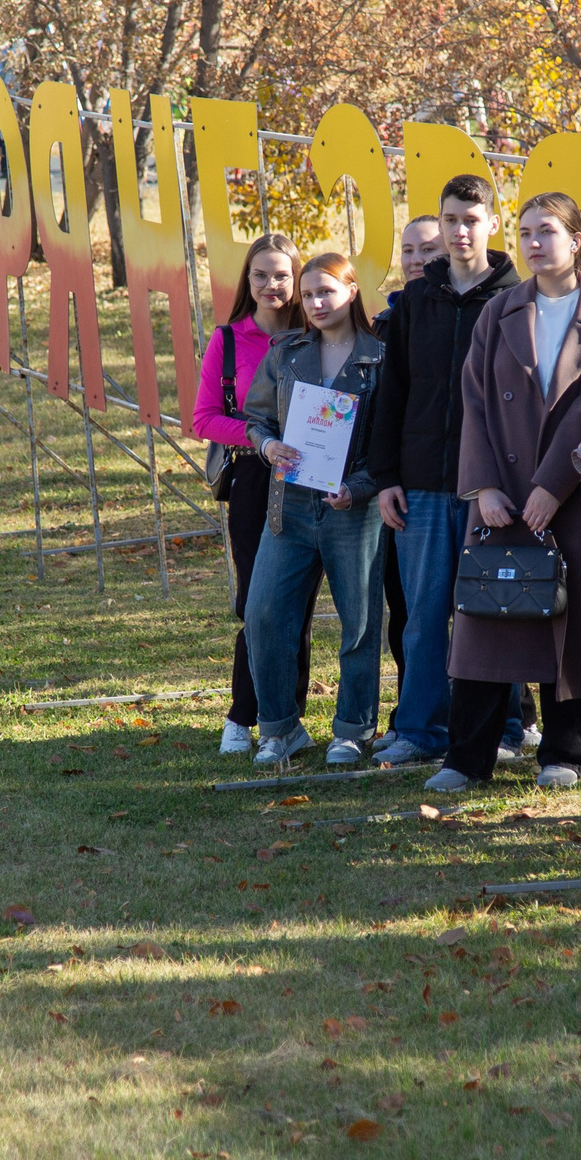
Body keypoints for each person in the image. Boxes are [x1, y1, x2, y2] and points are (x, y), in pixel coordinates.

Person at [426, 191, 581, 794]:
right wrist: (484, 486)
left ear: (576, 240)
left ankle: (563, 752)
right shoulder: (499, 312)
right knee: (486, 622)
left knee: (569, 624)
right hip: (502, 498)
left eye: (547, 231)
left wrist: (553, 487)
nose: (533, 243)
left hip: (572, 497)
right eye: (525, 232)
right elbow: (476, 402)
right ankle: (467, 758)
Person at [364, 175, 525, 766]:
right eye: (451, 219)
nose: (460, 231)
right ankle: (420, 730)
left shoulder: (516, 300)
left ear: (493, 225)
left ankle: (505, 728)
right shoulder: (416, 301)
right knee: (424, 615)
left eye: (471, 220)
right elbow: (393, 394)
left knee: (494, 610)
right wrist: (387, 476)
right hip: (422, 486)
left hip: (491, 488)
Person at [240, 251, 388, 766]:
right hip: (291, 506)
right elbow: (256, 418)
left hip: (354, 510)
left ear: (352, 291)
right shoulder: (287, 353)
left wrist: (359, 487)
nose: (316, 303)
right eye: (308, 295)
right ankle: (280, 729)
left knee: (359, 624)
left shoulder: (380, 357)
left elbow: (390, 444)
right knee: (263, 612)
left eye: (327, 291)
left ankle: (352, 730)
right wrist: (267, 446)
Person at [193, 235, 313, 754]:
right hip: (253, 479)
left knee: (298, 605)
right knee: (258, 604)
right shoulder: (228, 339)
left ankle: (286, 720)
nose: (271, 285)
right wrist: (259, 440)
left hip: (309, 479)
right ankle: (241, 717)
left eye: (282, 275)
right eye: (260, 275)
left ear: (297, 278)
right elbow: (204, 419)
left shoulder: (316, 332)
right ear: (247, 279)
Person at [375, 215, 447, 691]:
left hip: (456, 485)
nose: (416, 260)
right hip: (398, 488)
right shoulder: (383, 324)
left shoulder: (477, 311)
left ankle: (514, 716)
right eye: (408, 250)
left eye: (428, 249)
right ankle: (412, 707)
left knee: (481, 600)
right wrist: (384, 476)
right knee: (406, 607)